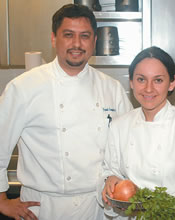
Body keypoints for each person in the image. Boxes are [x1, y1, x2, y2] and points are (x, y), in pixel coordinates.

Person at [0, 4, 132, 220]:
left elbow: (129, 145)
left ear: (94, 41)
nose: (77, 44)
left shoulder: (112, 89)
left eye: (85, 36)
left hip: (97, 207)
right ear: (54, 39)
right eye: (68, 35)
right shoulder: (24, 87)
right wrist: (2, 202)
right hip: (43, 208)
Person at [99, 46, 175, 219]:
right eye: (141, 79)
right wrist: (110, 180)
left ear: (172, 82)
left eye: (158, 80)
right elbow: (109, 170)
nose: (148, 88)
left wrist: (155, 210)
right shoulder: (118, 126)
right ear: (131, 82)